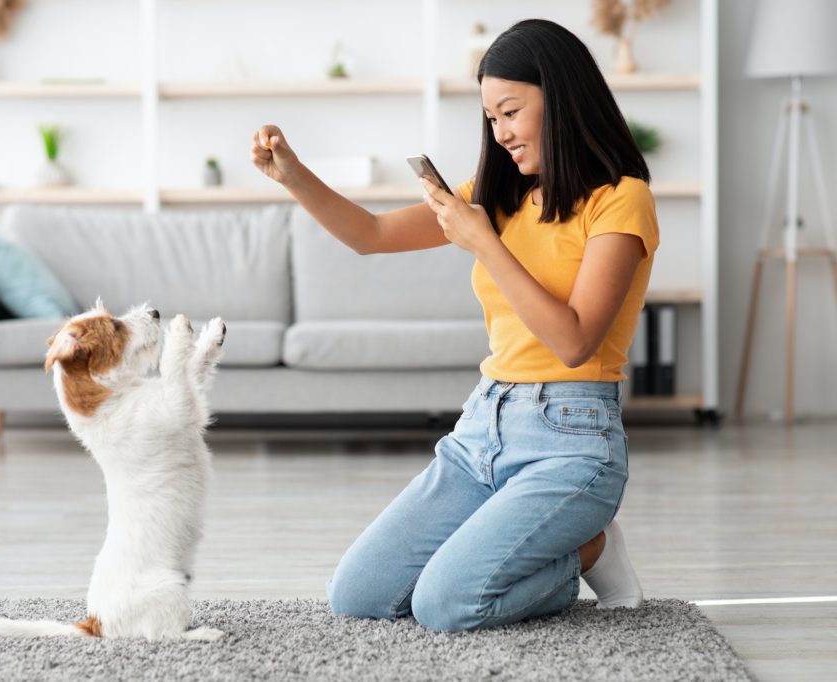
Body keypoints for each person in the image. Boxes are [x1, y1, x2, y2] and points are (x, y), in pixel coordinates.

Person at [249, 18, 655, 632]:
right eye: (491, 119)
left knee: (446, 604)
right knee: (358, 593)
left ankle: (589, 547)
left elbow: (575, 342)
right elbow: (372, 235)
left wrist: (485, 243)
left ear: (562, 97)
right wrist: (294, 176)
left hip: (572, 439)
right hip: (482, 431)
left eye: (511, 112)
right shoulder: (497, 195)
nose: (502, 133)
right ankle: (532, 539)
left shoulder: (620, 199)